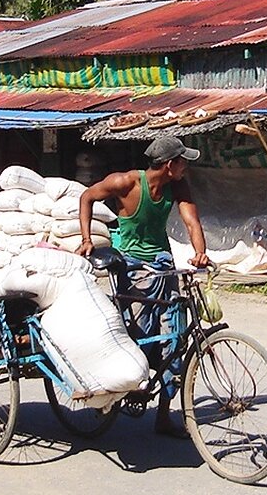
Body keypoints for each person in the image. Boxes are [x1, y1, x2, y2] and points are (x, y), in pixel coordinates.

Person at [77, 136, 210, 438]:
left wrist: (201, 253)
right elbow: (87, 197)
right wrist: (86, 240)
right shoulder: (125, 182)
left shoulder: (177, 186)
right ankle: (117, 388)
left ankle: (163, 416)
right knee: (139, 334)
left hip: (163, 265)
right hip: (131, 267)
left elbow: (192, 222)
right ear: (168, 165)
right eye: (183, 161)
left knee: (175, 338)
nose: (186, 166)